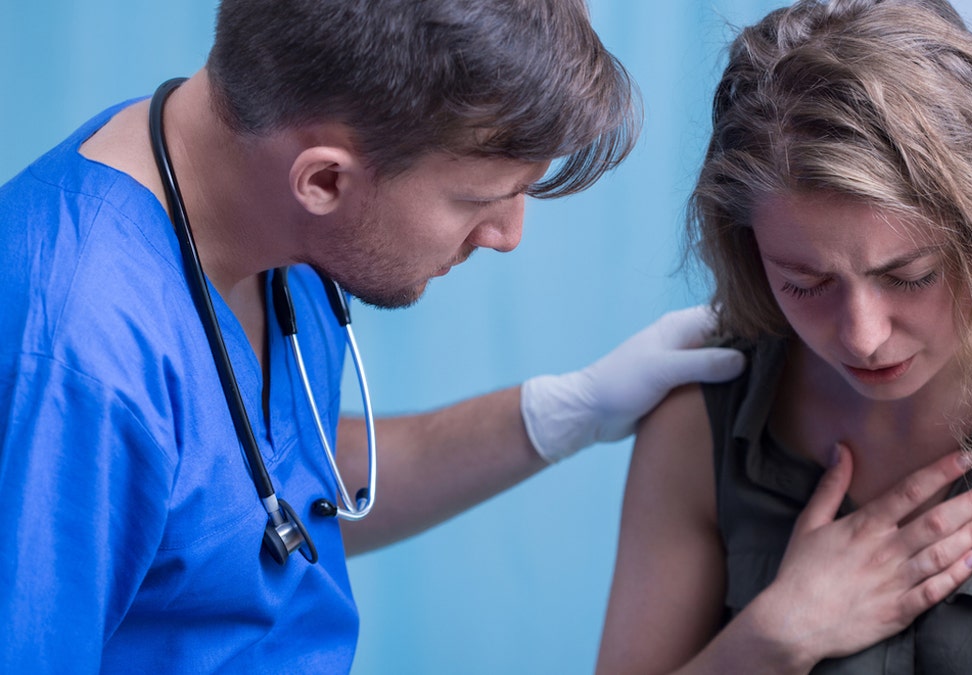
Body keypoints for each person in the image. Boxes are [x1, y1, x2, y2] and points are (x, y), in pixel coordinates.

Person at [0, 0, 753, 670]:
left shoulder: (241, 176)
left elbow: (260, 490)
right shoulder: (72, 358)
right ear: (324, 181)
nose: (507, 234)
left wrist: (562, 413)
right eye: (480, 199)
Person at [597, 0, 972, 673]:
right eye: (805, 282)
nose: (862, 336)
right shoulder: (695, 426)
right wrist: (769, 640)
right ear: (746, 251)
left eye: (911, 275)